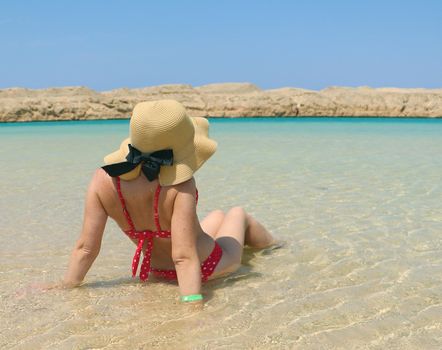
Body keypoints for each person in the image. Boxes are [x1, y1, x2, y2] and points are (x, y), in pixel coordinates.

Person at [63, 100, 275, 303]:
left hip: (158, 272)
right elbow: (183, 256)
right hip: (206, 268)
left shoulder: (102, 180)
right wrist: (192, 302)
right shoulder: (179, 185)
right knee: (238, 213)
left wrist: (67, 287)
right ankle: (276, 247)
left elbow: (85, 249)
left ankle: (268, 245)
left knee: (218, 216)